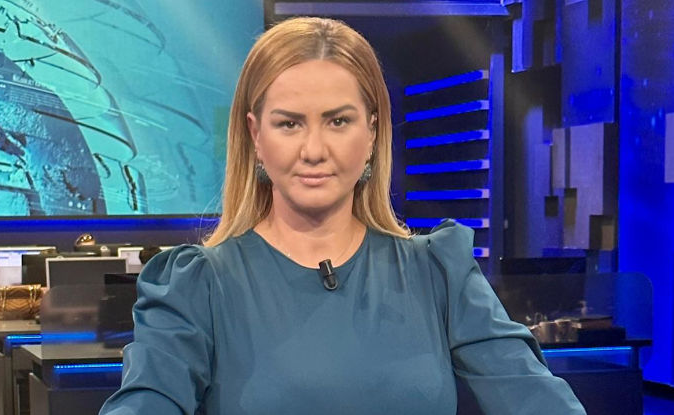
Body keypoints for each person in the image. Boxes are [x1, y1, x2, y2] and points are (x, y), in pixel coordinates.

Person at [100, 17, 585, 415]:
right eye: (289, 123)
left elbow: (536, 398)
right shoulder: (196, 287)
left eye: (338, 121)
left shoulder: (439, 271)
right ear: (255, 136)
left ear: (371, 132)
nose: (314, 150)